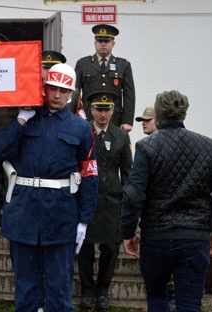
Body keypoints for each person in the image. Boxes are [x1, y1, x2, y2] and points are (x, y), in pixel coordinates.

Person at [0, 63, 98, 311]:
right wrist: (20, 120)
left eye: (63, 90)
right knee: (26, 290)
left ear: (71, 93)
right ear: (44, 88)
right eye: (52, 89)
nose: (57, 95)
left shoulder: (80, 127)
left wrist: (84, 220)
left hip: (61, 215)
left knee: (59, 291)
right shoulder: (25, 118)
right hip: (23, 212)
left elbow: (90, 174)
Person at [121, 90, 212, 311]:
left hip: (157, 237)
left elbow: (133, 194)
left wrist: (128, 233)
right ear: (183, 114)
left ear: (157, 117)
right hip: (194, 238)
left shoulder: (146, 147)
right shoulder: (207, 146)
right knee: (190, 305)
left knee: (157, 299)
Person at [77, 90, 133, 309]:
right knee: (86, 248)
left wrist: (128, 202)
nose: (102, 114)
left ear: (113, 111)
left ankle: (103, 289)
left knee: (110, 247)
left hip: (112, 200)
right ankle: (87, 289)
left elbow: (127, 172)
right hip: (87, 197)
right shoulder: (83, 131)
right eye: (98, 109)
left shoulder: (121, 136)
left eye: (107, 109)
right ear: (91, 110)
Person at [75, 24, 135, 132]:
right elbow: (76, 93)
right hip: (88, 118)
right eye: (100, 41)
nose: (103, 44)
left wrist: (127, 121)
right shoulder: (83, 64)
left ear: (113, 43)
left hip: (114, 119)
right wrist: (77, 116)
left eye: (106, 41)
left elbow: (129, 95)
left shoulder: (123, 65)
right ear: (95, 43)